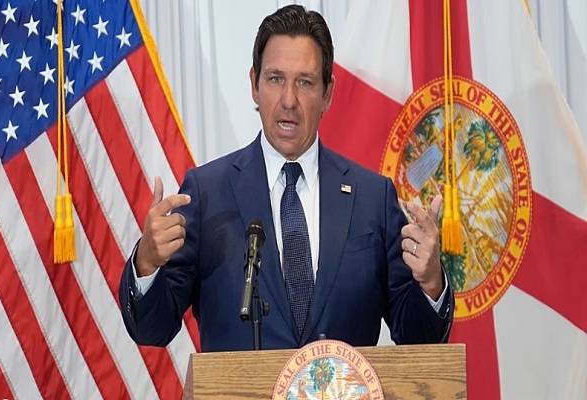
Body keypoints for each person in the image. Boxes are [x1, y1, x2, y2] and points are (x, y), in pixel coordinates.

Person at [119, 4, 453, 352]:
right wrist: (147, 262)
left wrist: (431, 282)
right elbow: (152, 330)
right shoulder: (207, 194)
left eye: (305, 82)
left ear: (327, 93)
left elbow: (420, 340)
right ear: (254, 84)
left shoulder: (372, 197)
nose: (289, 100)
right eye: (275, 79)